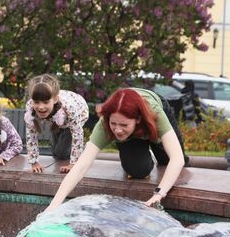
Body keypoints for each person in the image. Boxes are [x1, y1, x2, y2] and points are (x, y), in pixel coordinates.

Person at [43, 87, 189, 210]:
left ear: (137, 120)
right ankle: (143, 152)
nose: (117, 130)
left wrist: (158, 194)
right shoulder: (106, 124)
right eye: (114, 124)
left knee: (168, 160)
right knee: (138, 170)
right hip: (132, 136)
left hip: (151, 118)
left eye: (124, 125)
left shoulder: (155, 112)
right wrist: (53, 205)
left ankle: (153, 145)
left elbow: (177, 158)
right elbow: (81, 165)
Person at [24, 74, 89, 173]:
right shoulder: (30, 107)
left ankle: (84, 152)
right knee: (56, 153)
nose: (41, 107)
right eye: (36, 102)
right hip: (54, 116)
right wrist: (34, 162)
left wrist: (73, 164)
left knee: (62, 153)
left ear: (55, 99)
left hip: (79, 111)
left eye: (45, 102)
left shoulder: (69, 108)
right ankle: (62, 147)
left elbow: (77, 134)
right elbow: (31, 135)